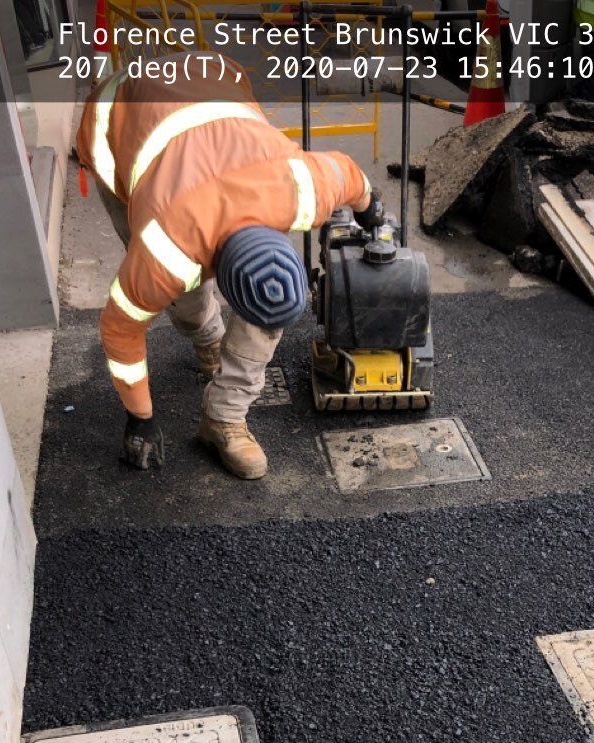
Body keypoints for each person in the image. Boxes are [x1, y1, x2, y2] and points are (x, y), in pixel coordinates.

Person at [76, 53, 381, 478]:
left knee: (265, 296)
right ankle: (207, 338)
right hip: (119, 118)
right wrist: (140, 416)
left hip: (212, 76)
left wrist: (371, 209)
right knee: (183, 299)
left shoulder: (303, 187)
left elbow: (348, 174)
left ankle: (223, 419)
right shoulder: (166, 248)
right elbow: (119, 327)